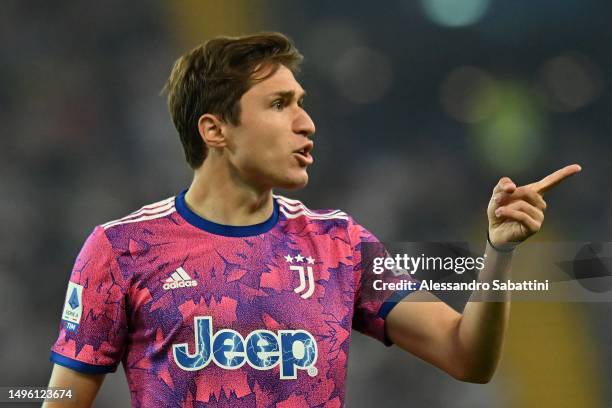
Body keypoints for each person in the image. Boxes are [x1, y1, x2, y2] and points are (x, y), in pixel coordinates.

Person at [44, 32, 581, 407]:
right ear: (215, 130)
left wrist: (499, 251)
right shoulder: (122, 249)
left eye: (301, 102)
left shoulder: (340, 244)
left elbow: (469, 358)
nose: (307, 123)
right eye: (280, 104)